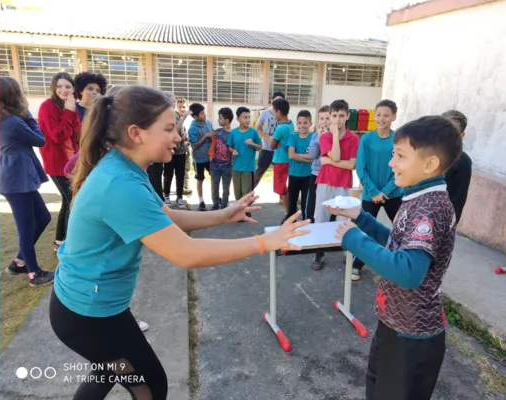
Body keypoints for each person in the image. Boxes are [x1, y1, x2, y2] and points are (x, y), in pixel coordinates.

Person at [48, 85, 310, 399]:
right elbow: (186, 252)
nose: (178, 136)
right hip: (86, 312)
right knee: (148, 383)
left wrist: (223, 214)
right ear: (137, 133)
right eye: (170, 128)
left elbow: (164, 216)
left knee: (110, 372)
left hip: (94, 305)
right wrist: (262, 243)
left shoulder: (127, 167)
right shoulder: (120, 183)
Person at [325, 115, 462, 400]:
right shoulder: (418, 197)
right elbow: (397, 245)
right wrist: (361, 218)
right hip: (394, 324)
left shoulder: (430, 207)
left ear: (429, 164)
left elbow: (408, 271)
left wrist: (354, 239)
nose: (391, 163)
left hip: (412, 335)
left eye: (400, 156)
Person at [0, 77, 54, 286]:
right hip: (16, 181)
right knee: (26, 227)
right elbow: (40, 139)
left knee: (43, 217)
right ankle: (34, 273)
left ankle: (20, 262)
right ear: (14, 96)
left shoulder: (2, 119)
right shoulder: (13, 122)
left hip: (17, 178)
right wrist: (29, 116)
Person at [352, 99, 403, 281]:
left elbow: (400, 168)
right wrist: (374, 192)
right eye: (379, 114)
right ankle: (357, 264)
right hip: (370, 194)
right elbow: (360, 168)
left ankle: (400, 265)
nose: (381, 119)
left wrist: (385, 192)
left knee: (401, 229)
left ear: (394, 117)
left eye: (386, 115)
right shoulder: (366, 139)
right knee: (365, 230)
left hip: (394, 194)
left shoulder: (398, 139)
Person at [311, 99, 359, 270]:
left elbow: (350, 164)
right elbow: (340, 159)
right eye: (334, 115)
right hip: (324, 182)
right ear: (330, 117)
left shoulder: (353, 138)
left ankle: (346, 251)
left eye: (341, 115)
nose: (337, 119)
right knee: (320, 218)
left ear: (347, 116)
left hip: (343, 184)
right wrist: (335, 137)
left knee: (342, 220)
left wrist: (328, 161)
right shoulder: (325, 136)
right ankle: (319, 252)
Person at [37, 72, 81, 252]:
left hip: (73, 160)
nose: (63, 90)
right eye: (59, 86)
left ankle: (60, 241)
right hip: (57, 163)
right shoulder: (47, 106)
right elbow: (57, 135)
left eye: (68, 86)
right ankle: (68, 243)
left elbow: (78, 132)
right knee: (71, 200)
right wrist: (69, 113)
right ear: (54, 88)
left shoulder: (72, 105)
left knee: (68, 200)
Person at [441, 110, 472, 224]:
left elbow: (459, 198)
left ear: (462, 135)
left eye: (453, 131)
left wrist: (451, 224)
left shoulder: (463, 162)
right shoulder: (426, 152)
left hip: (440, 219)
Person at [227, 107, 262, 207]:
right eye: (245, 117)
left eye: (249, 117)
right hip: (236, 167)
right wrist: (233, 151)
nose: (248, 120)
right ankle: (239, 211)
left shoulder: (253, 132)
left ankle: (246, 212)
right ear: (238, 119)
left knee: (246, 193)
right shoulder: (234, 132)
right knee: (237, 194)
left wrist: (252, 144)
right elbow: (229, 146)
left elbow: (260, 147)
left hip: (248, 168)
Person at [253, 91, 285, 188]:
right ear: (272, 101)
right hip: (266, 149)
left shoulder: (283, 115)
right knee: (258, 173)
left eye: (281, 101)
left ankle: (282, 197)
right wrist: (268, 137)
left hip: (279, 151)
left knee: (281, 175)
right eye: (277, 100)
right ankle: (248, 195)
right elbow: (257, 129)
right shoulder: (265, 113)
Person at [287, 110, 314, 221]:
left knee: (305, 202)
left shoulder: (313, 137)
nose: (302, 125)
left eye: (305, 123)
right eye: (300, 123)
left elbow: (313, 156)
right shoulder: (293, 137)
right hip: (294, 174)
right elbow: (291, 155)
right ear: (297, 124)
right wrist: (307, 158)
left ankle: (306, 221)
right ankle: (291, 221)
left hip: (308, 176)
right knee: (292, 201)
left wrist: (298, 155)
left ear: (310, 124)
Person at [163, 93, 190, 208]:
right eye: (172, 101)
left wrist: (184, 138)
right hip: (171, 150)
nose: (174, 103)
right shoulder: (170, 115)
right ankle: (167, 196)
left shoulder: (177, 115)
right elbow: (175, 129)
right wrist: (184, 117)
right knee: (168, 174)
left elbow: (180, 131)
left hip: (181, 151)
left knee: (180, 175)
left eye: (174, 101)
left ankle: (179, 197)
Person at [187, 103, 215, 211]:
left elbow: (212, 137)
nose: (204, 115)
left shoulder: (208, 123)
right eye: (202, 114)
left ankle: (216, 198)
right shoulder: (192, 128)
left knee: (215, 177)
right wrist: (205, 136)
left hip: (210, 158)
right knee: (200, 179)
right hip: (199, 159)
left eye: (204, 112)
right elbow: (194, 146)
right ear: (195, 116)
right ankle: (201, 201)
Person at [306, 105, 331, 223]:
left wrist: (326, 139)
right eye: (321, 118)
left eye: (327, 118)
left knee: (326, 207)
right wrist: (320, 138)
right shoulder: (316, 135)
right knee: (312, 204)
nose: (324, 122)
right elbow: (312, 154)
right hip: (316, 174)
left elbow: (330, 154)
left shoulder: (334, 135)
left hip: (329, 176)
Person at [270, 98, 293, 221]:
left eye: (273, 111)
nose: (273, 114)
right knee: (285, 187)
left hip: (280, 161)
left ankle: (288, 214)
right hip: (288, 160)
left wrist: (275, 141)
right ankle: (290, 211)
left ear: (279, 112)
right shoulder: (291, 124)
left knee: (281, 188)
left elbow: (272, 146)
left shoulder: (280, 128)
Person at [209, 107, 234, 210]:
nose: (218, 120)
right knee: (214, 186)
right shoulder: (217, 132)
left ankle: (224, 205)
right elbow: (212, 143)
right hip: (215, 164)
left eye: (220, 118)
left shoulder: (233, 134)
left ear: (227, 120)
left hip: (227, 166)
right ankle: (215, 204)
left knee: (226, 187)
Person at [176, 98, 194, 196]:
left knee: (187, 167)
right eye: (180, 107)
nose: (182, 109)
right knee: (177, 170)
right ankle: (179, 187)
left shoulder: (190, 120)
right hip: (177, 149)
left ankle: (186, 186)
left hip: (187, 147)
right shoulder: (176, 118)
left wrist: (189, 140)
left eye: (184, 107)